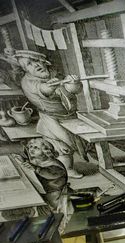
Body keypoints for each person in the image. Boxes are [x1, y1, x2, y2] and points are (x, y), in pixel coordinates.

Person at [13, 50, 86, 179]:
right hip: (51, 119)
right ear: (26, 69)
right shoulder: (28, 81)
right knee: (62, 146)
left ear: (44, 61)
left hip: (69, 116)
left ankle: (59, 166)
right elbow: (42, 90)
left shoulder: (54, 74)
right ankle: (66, 169)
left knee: (77, 141)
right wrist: (50, 87)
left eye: (36, 61)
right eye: (29, 64)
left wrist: (73, 83)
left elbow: (72, 91)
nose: (35, 65)